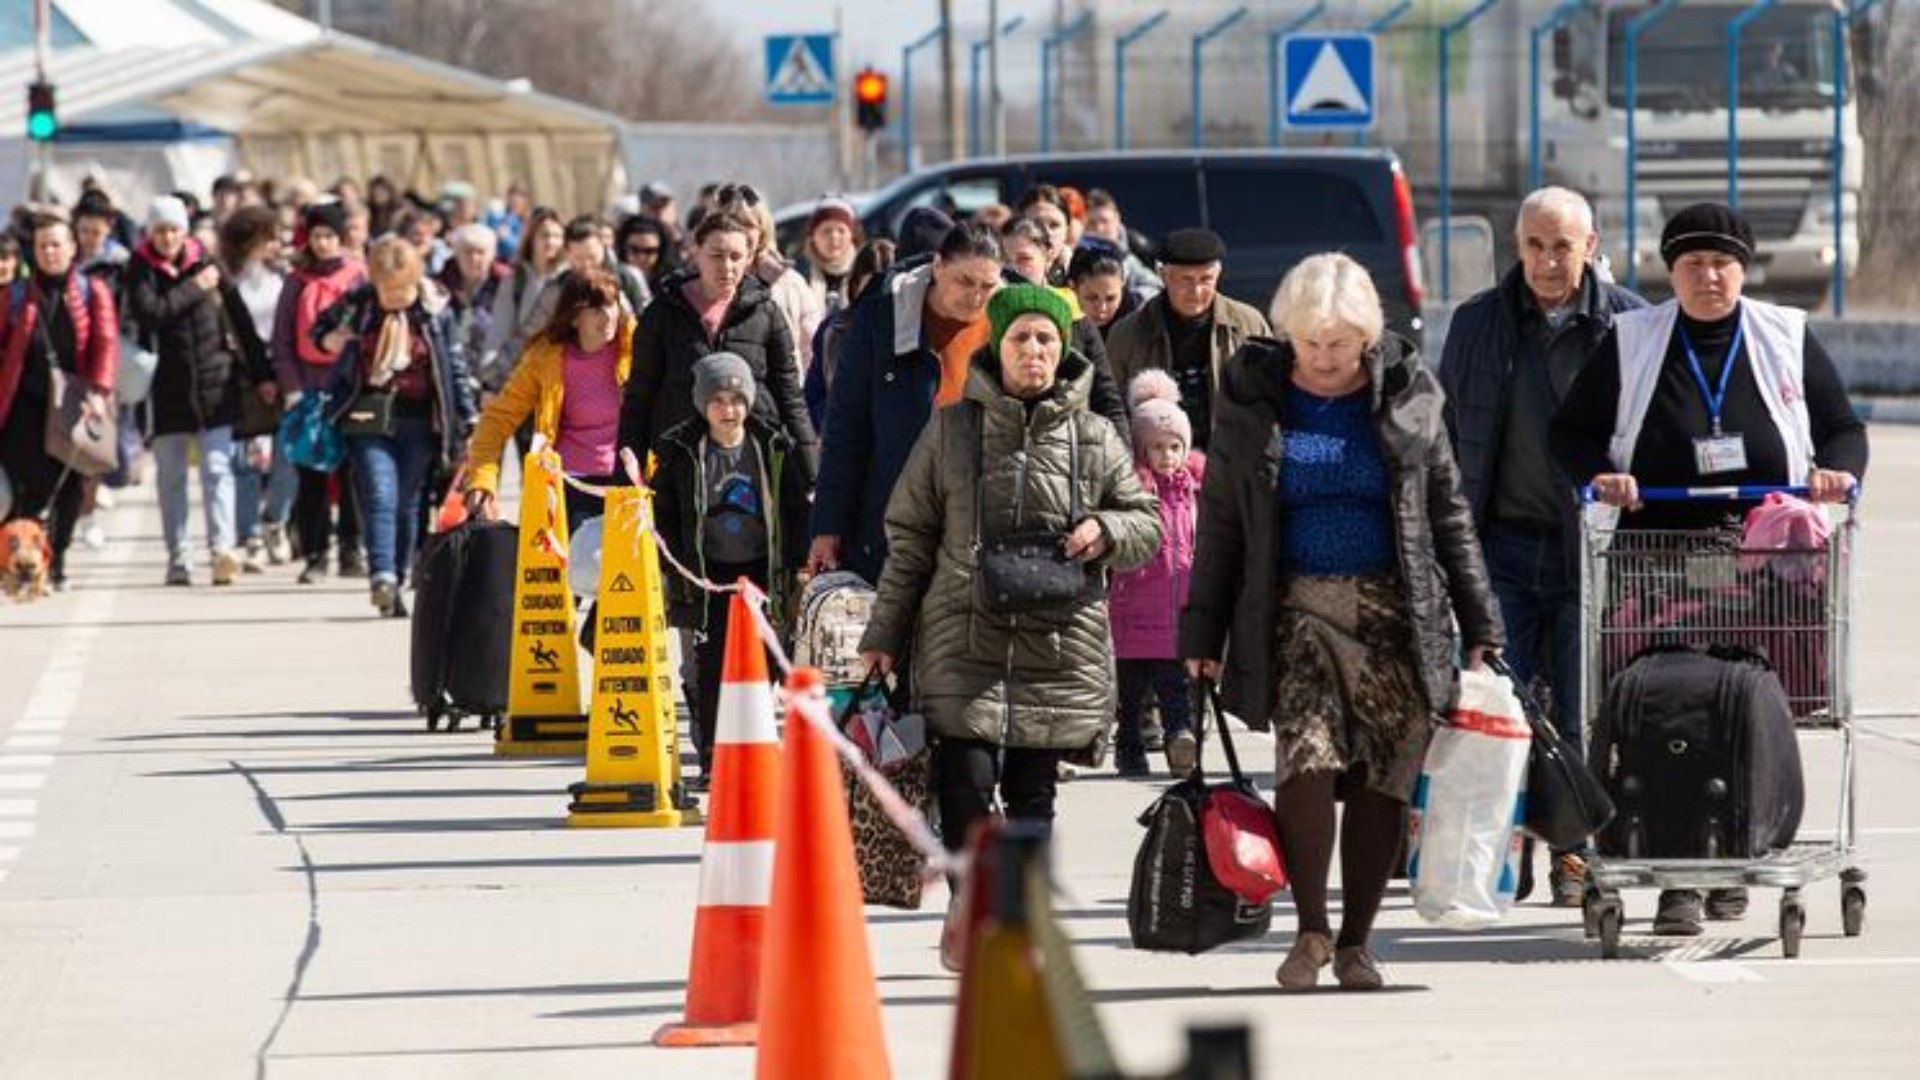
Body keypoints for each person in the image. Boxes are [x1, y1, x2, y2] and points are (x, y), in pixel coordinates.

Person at [1181, 253, 1503, 991]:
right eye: (1311, 343)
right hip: (1296, 610)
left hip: (1396, 611)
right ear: (1288, 335)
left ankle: (1358, 942)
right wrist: (1201, 635)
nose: (1325, 360)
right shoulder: (1256, 398)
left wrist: (1481, 617)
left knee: (1380, 779)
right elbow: (1223, 522)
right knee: (1308, 760)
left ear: (1367, 337)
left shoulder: (1409, 395)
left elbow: (1449, 513)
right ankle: (1311, 931)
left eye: (1340, 345)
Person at [1550, 201, 1868, 937]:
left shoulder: (1785, 336)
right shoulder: (1632, 341)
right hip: (1655, 555)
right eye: (1692, 263)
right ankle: (1678, 885)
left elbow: (1842, 429)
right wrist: (1602, 476)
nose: (1709, 275)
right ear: (1671, 272)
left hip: (1762, 561)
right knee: (1669, 717)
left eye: (1722, 262)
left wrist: (1836, 476)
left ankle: (1738, 857)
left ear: (1744, 269)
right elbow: (1570, 432)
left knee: (1747, 708)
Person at [856, 284, 1160, 957]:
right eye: (1021, 337)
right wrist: (882, 636)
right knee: (963, 785)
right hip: (962, 634)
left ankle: (1014, 927)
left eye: (1046, 339)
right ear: (998, 345)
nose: (1034, 350)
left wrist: (1104, 529)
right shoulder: (951, 430)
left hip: (1058, 643)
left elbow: (1148, 522)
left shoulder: (1094, 435)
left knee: (1032, 795)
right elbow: (910, 537)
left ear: (1063, 348)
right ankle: (973, 902)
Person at [1436, 186, 1646, 907]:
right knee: (1506, 710)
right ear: (1516, 248)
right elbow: (1447, 434)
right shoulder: (1477, 325)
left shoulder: (1631, 325)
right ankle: (1510, 842)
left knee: (1585, 707)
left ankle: (1575, 852)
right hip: (1502, 550)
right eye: (1535, 246)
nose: (1549, 261)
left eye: (1563, 246)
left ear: (1591, 247)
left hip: (1592, 555)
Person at [807, 223, 1003, 586]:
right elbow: (846, 428)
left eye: (987, 286)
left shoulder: (1012, 322)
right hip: (894, 516)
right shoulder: (883, 316)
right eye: (964, 281)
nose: (976, 296)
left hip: (984, 521)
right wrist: (828, 525)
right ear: (938, 267)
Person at [651, 352, 812, 787]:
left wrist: (798, 563)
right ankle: (711, 754)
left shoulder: (773, 446)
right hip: (708, 573)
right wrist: (672, 561)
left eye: (737, 399)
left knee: (764, 660)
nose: (729, 409)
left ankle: (757, 744)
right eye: (718, 400)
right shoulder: (683, 449)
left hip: (761, 569)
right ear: (702, 404)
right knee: (710, 664)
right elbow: (663, 507)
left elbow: (796, 509)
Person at [322, 236, 477, 616]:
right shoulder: (358, 307)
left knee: (409, 503)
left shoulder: (436, 310)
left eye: (402, 289)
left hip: (421, 422)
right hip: (368, 418)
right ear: (373, 281)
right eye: (386, 289)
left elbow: (454, 368)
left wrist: (470, 418)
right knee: (379, 495)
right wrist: (334, 339)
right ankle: (383, 576)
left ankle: (402, 572)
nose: (394, 297)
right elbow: (318, 333)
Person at [127, 195, 272, 587]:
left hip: (215, 385)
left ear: (185, 230)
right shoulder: (140, 268)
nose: (168, 237)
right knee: (172, 476)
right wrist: (194, 287)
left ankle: (222, 549)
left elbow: (240, 320)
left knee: (217, 469)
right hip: (165, 391)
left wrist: (263, 375)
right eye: (160, 230)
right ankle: (179, 556)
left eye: (174, 229)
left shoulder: (208, 263)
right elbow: (151, 313)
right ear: (150, 232)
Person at [617, 205, 815, 468]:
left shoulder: (766, 311)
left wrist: (810, 470)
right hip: (679, 461)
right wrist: (627, 475)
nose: (727, 266)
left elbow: (790, 395)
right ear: (696, 253)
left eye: (736, 256)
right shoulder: (663, 312)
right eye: (716, 255)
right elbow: (639, 397)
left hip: (752, 458)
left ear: (749, 258)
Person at [464, 266, 633, 533]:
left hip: (629, 483)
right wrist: (482, 480)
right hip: (568, 485)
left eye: (612, 304)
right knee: (577, 572)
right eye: (595, 308)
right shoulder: (545, 357)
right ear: (575, 317)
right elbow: (497, 420)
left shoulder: (635, 345)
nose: (608, 315)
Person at [0, 213, 118, 590]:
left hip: (74, 404)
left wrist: (99, 393)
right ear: (32, 252)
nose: (49, 252)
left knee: (71, 488)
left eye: (56, 244)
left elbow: (105, 343)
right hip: (24, 403)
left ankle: (58, 558)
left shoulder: (91, 290)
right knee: (29, 487)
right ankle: (28, 567)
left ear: (71, 248)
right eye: (42, 246)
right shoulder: (15, 294)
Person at [1108, 370, 1202, 778]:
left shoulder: (1194, 492)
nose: (1167, 456)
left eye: (1174, 447)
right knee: (1130, 693)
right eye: (1157, 447)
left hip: (1176, 613)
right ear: (1142, 450)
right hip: (1132, 609)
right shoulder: (1132, 491)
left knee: (1174, 684)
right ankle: (1128, 747)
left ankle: (1179, 735)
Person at [1105, 228, 1270, 450]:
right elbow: (1110, 408)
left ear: (1218, 275)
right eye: (1186, 280)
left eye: (1206, 279)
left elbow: (1269, 397)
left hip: (1231, 461)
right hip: (1156, 467)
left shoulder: (1248, 325)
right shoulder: (1127, 334)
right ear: (1164, 276)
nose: (1197, 290)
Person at [273, 201, 367, 583]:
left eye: (330, 235)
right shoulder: (296, 282)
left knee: (352, 475)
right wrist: (291, 388)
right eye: (317, 236)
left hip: (350, 390)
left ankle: (351, 548)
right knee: (310, 474)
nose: (324, 243)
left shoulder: (358, 277)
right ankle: (315, 553)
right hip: (309, 390)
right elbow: (281, 340)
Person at [220, 205, 292, 573]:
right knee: (246, 462)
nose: (276, 244)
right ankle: (248, 536)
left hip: (283, 374)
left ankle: (275, 519)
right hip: (244, 378)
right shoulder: (228, 280)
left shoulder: (282, 276)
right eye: (269, 237)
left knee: (288, 458)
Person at [805, 237, 896, 434]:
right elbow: (812, 398)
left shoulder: (912, 331)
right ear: (855, 286)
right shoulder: (833, 331)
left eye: (885, 290)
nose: (877, 300)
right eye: (869, 289)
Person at [483, 206, 566, 392]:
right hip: (521, 379)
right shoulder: (515, 281)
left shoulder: (570, 280)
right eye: (544, 235)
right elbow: (498, 333)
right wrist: (487, 381)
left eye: (557, 236)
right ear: (531, 238)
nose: (551, 242)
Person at [436, 222, 507, 386]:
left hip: (495, 374)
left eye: (481, 252)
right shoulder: (439, 285)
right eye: (468, 252)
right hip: (451, 373)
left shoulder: (507, 285)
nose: (474, 258)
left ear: (492, 255)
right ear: (456, 254)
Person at [1082, 188, 1161, 304]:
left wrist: (1130, 300)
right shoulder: (1077, 251)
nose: (1099, 228)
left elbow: (1156, 287)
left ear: (1117, 219)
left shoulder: (1138, 248)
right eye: (1091, 223)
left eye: (1104, 221)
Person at [799, 197, 862, 310]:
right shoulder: (800, 277)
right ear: (813, 236)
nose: (834, 237)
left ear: (852, 235)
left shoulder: (864, 272)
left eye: (841, 231)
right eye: (826, 231)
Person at [1068, 240, 1135, 339]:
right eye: (1091, 298)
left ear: (1122, 285)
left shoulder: (1134, 322)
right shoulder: (1056, 318)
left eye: (1110, 299)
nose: (1102, 308)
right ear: (1073, 288)